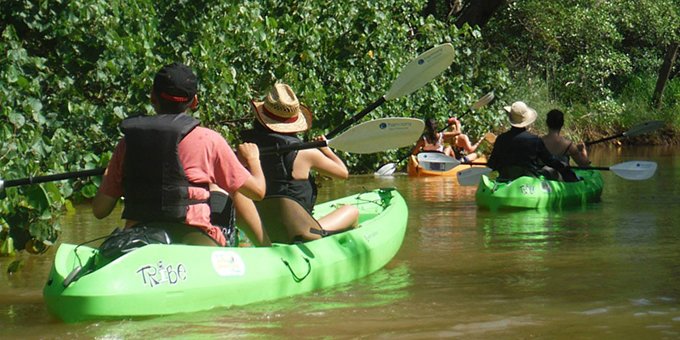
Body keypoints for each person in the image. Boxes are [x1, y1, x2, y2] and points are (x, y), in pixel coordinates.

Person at [92, 62, 267, 247]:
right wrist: (253, 160)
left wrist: (109, 177)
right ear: (194, 101)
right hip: (194, 240)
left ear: (152, 97)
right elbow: (257, 191)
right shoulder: (210, 140)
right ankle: (265, 248)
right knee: (221, 188)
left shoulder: (128, 143)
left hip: (140, 240)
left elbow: (100, 210)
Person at [241, 83, 358, 242]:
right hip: (302, 232)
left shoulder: (248, 151)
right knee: (352, 210)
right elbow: (343, 173)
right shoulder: (305, 153)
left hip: (263, 230)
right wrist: (326, 149)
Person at [487, 101, 576, 182]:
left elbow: (492, 163)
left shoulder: (501, 139)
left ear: (510, 117)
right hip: (529, 181)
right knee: (551, 172)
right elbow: (550, 161)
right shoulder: (535, 140)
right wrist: (565, 170)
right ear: (526, 120)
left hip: (505, 179)